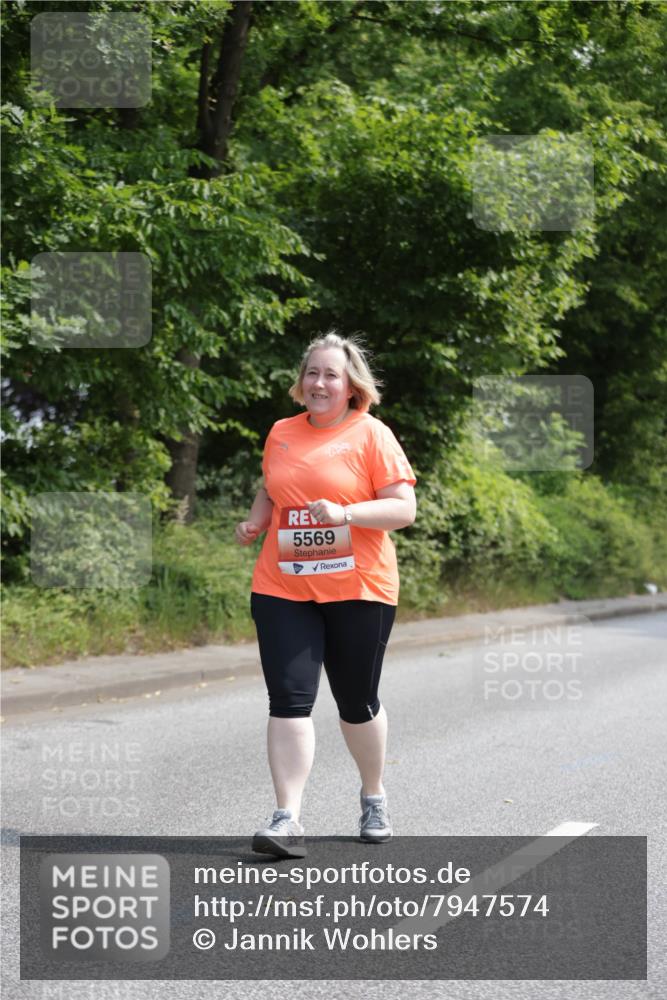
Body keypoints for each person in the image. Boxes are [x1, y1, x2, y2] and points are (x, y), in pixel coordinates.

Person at [234, 330, 417, 858]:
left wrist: (346, 513)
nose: (319, 383)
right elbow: (272, 487)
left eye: (330, 375)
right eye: (312, 373)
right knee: (288, 699)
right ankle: (287, 817)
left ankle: (373, 796)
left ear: (350, 385)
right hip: (283, 585)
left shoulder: (371, 434)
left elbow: (403, 509)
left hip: (359, 587)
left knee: (356, 702)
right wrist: (256, 521)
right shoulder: (281, 432)